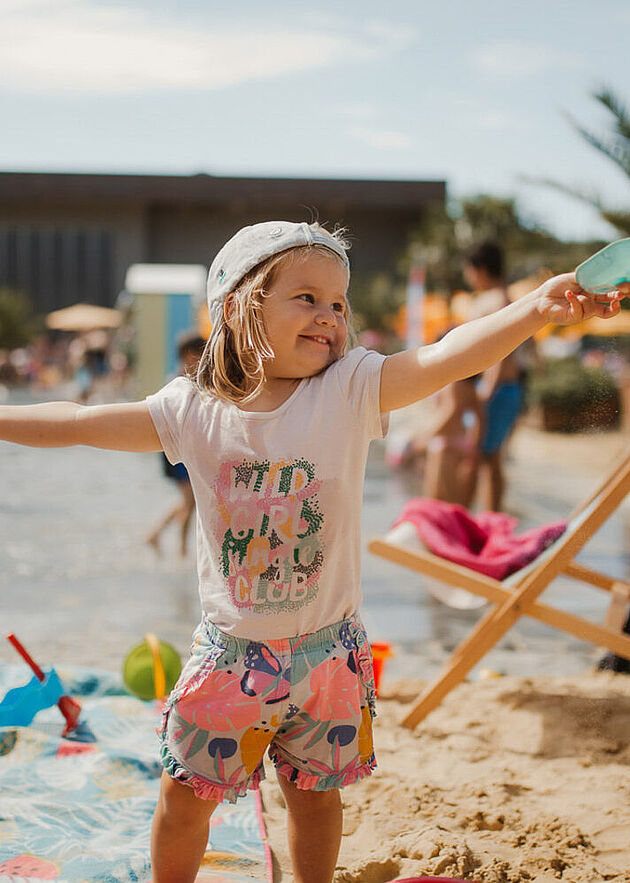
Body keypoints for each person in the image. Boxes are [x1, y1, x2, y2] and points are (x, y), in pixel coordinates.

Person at [0, 220, 624, 883]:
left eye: (338, 303)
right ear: (241, 306)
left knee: (316, 797)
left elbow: (447, 356)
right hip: (231, 658)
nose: (329, 315)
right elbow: (76, 423)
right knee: (183, 800)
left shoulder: (351, 388)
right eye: (307, 297)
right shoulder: (193, 409)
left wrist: (532, 308)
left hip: (329, 657)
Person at [463, 241, 529, 511]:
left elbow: (505, 351)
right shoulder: (511, 299)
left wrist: (486, 389)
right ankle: (492, 520)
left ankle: (476, 521)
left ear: (479, 269)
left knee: (480, 457)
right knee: (491, 459)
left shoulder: (496, 300)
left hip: (497, 388)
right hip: (508, 388)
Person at [146, 333, 206, 557]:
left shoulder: (184, 378)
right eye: (201, 352)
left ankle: (156, 535)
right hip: (176, 450)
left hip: (181, 448)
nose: (205, 357)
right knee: (190, 500)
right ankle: (181, 551)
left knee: (188, 500)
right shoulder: (178, 381)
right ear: (189, 354)